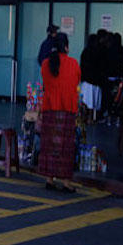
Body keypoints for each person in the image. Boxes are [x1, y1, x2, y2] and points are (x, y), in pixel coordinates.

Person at [37, 33, 81, 192]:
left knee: (49, 146)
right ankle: (66, 183)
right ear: (67, 47)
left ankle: (49, 179)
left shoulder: (45, 64)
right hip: (67, 110)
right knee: (65, 148)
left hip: (49, 109)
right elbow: (76, 82)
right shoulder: (73, 64)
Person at [79, 34, 103, 123]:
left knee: (86, 101)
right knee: (93, 102)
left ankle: (83, 118)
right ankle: (91, 118)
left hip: (87, 81)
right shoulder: (99, 52)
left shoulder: (85, 52)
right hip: (96, 81)